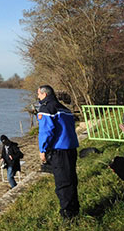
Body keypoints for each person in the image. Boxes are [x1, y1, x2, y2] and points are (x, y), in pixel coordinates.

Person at [37, 84, 80, 219]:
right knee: (72, 180)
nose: (37, 97)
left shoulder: (46, 108)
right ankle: (75, 210)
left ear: (44, 94)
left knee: (62, 183)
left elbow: (46, 131)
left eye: (38, 94)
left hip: (59, 150)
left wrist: (42, 150)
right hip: (71, 148)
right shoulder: (64, 109)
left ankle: (67, 215)